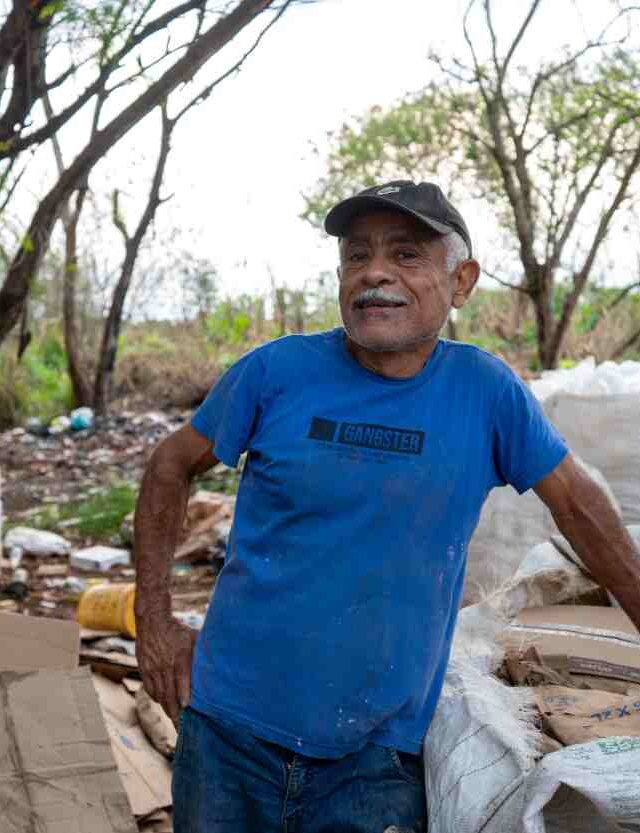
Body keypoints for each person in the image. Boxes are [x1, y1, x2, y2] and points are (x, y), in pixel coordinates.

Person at [134, 180, 640, 833]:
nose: (374, 272)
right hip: (230, 734)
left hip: (376, 757)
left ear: (461, 282)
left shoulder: (485, 392)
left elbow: (579, 505)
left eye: (405, 254)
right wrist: (154, 622)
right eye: (357, 255)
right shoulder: (275, 372)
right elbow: (170, 464)